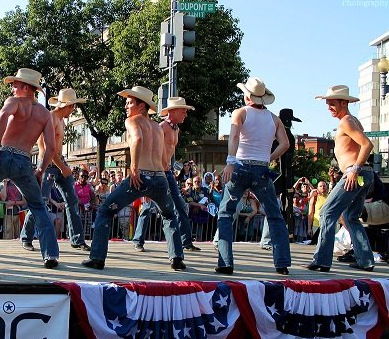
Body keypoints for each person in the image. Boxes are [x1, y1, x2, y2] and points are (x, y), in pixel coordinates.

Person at [0, 68, 59, 269]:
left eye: (15, 85)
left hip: (1, 155)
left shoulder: (14, 102)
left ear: (26, 87)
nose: (12, 88)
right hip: (24, 161)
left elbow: (3, 116)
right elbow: (51, 147)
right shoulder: (45, 114)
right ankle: (50, 255)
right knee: (38, 207)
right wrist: (40, 170)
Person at [81, 86, 185, 270]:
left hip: (141, 176)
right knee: (169, 215)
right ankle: (176, 257)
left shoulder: (132, 121)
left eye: (129, 103)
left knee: (105, 210)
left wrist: (134, 168)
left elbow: (137, 139)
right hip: (160, 177)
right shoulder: (157, 127)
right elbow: (164, 159)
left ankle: (97, 258)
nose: (126, 106)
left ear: (141, 105)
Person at [216, 77, 291, 275]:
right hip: (262, 169)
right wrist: (269, 158)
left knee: (226, 213)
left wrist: (230, 161)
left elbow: (234, 136)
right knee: (274, 215)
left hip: (240, 165)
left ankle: (225, 262)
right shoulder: (274, 119)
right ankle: (282, 263)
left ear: (247, 96)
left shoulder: (240, 113)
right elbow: (285, 144)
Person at [306, 85, 374, 272]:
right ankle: (366, 260)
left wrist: (354, 170)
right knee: (351, 217)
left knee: (327, 212)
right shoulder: (352, 120)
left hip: (355, 173)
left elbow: (367, 145)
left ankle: (322, 260)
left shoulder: (346, 122)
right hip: (364, 174)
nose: (329, 107)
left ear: (344, 102)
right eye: (327, 104)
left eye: (332, 104)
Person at [20, 88, 91, 251]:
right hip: (48, 165)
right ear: (70, 106)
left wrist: (63, 166)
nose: (74, 110)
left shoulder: (61, 120)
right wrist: (63, 167)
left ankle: (77, 239)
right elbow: (48, 150)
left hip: (59, 163)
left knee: (72, 200)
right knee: (41, 201)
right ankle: (26, 237)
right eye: (73, 106)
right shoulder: (50, 119)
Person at [132, 97, 201, 253]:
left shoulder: (176, 129)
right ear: (173, 111)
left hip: (167, 172)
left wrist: (170, 166)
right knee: (148, 206)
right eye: (183, 111)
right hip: (156, 172)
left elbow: (169, 151)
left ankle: (186, 241)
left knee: (180, 205)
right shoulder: (161, 127)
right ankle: (138, 240)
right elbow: (150, 149)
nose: (185, 114)